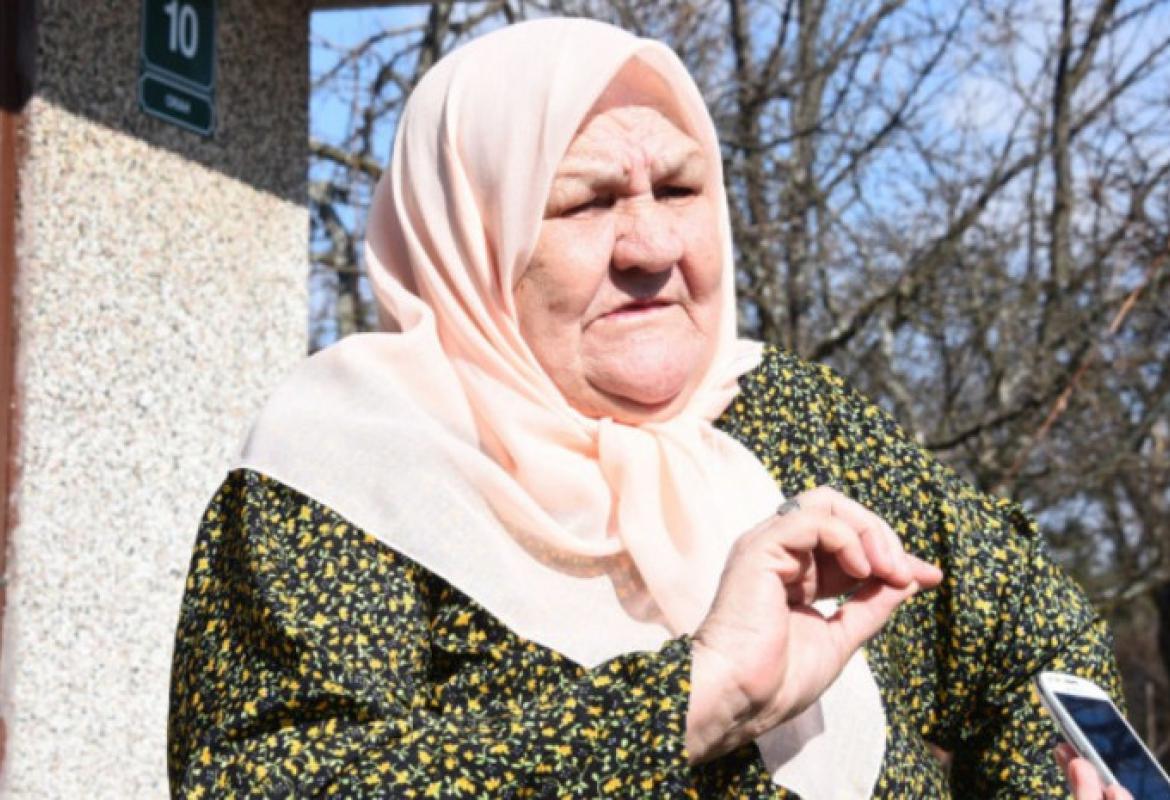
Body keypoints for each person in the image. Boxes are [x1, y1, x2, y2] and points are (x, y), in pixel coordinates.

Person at [168, 18, 1126, 799]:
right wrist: (697, 698)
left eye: (679, 188)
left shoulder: (785, 412)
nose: (653, 247)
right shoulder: (351, 461)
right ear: (471, 236)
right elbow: (266, 784)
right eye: (587, 202)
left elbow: (1034, 638)